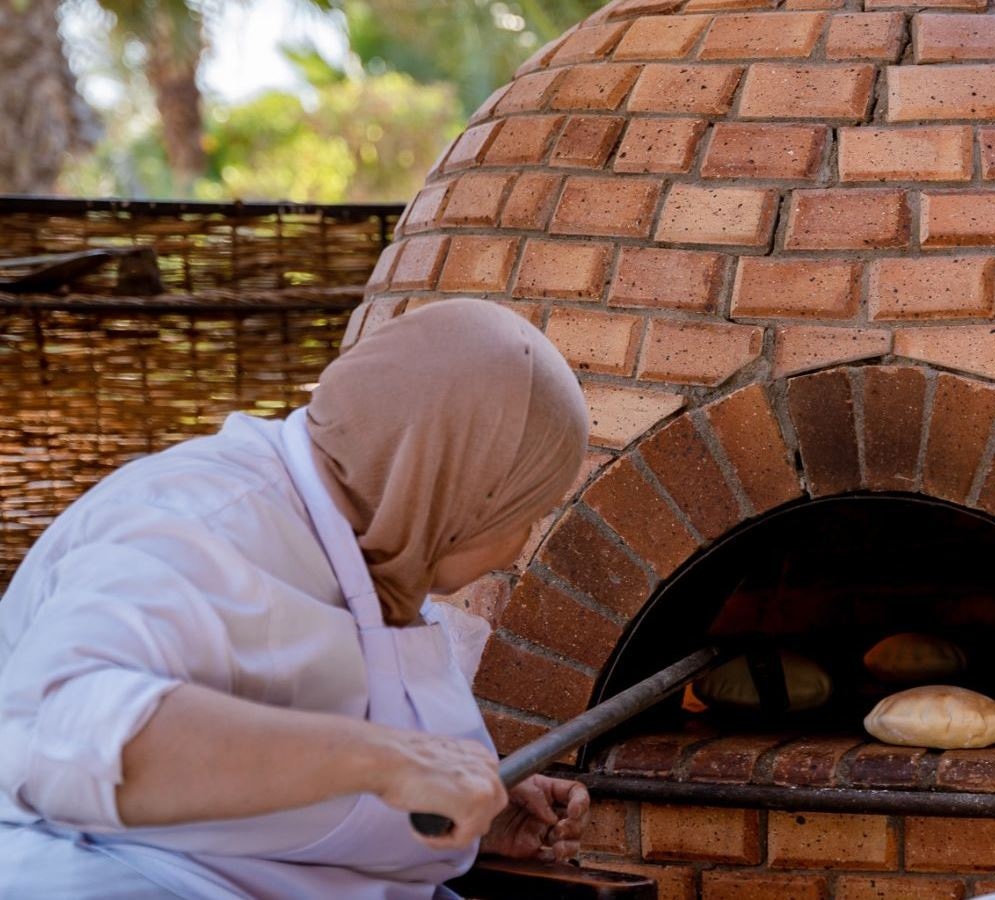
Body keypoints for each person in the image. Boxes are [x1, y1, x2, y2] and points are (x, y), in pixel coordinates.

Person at [0, 298, 593, 898]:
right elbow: (60, 735)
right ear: (454, 490)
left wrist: (462, 817)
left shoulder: (378, 542)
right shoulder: (194, 525)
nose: (518, 548)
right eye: (526, 511)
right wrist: (387, 763)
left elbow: (298, 772)